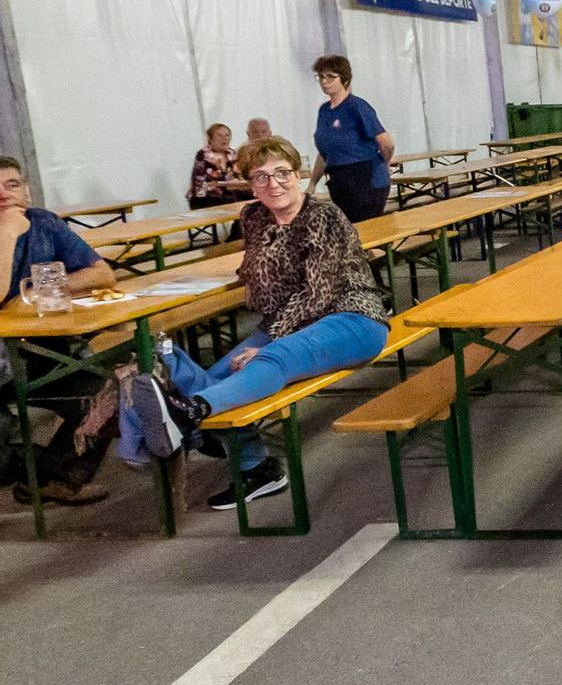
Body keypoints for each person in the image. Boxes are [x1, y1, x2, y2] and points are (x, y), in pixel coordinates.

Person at [125, 136, 391, 509]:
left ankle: (188, 416)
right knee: (219, 378)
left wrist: (268, 342)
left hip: (350, 317)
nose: (273, 183)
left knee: (269, 362)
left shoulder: (324, 216)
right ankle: (257, 468)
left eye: (282, 173)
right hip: (282, 322)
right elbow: (255, 267)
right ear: (250, 184)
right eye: (261, 177)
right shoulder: (253, 216)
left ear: (297, 175)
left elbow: (318, 293)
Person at [0, 158, 118, 504]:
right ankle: (29, 468)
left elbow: (102, 274)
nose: (3, 194)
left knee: (108, 393)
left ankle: (57, 478)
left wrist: (40, 290)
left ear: (27, 191)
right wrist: (7, 235)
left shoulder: (44, 223)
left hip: (43, 349)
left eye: (11, 184)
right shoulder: (11, 228)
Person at [306, 55, 394, 222]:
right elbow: (325, 153)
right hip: (339, 179)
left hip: (365, 178)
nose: (325, 82)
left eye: (330, 77)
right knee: (347, 229)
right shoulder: (324, 111)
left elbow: (386, 142)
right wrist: (312, 183)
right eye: (321, 77)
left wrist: (384, 162)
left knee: (365, 228)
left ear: (344, 78)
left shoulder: (357, 106)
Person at [187, 122, 242, 208]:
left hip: (229, 195)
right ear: (210, 139)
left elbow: (239, 174)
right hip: (205, 197)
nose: (224, 139)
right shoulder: (204, 154)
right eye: (219, 135)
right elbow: (201, 182)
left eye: (227, 135)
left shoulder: (232, 153)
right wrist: (228, 184)